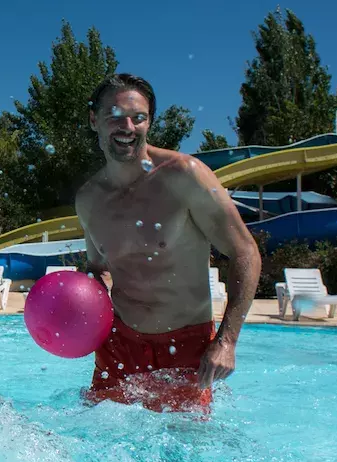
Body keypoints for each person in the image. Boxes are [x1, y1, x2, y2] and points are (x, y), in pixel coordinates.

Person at [74, 73, 260, 414]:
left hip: (185, 346)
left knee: (184, 456)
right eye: (115, 115)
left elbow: (244, 251)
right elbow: (99, 270)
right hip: (117, 345)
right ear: (94, 120)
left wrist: (227, 340)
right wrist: (80, 323)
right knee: (97, 444)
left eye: (139, 117)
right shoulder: (88, 200)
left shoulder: (184, 176)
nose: (127, 126)